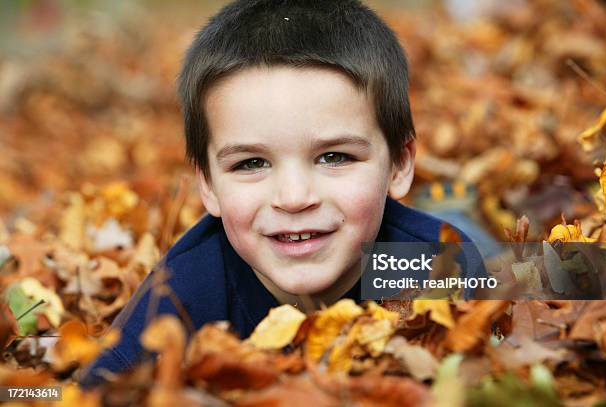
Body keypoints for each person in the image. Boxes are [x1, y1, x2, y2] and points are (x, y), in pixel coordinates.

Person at [78, 0, 481, 388]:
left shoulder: (418, 261)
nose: (292, 198)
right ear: (208, 185)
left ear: (399, 165)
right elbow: (95, 392)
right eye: (251, 164)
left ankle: (462, 210)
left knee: (514, 263)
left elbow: (513, 338)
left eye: (334, 157)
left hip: (431, 232)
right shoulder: (191, 291)